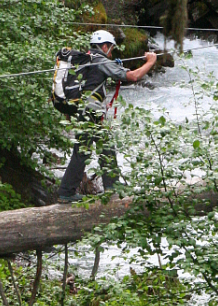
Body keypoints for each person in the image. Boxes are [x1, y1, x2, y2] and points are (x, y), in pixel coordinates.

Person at [57, 29, 158, 203]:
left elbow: (93, 81)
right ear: (104, 46)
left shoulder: (85, 60)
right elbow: (134, 76)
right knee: (83, 152)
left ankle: (112, 187)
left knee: (106, 146)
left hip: (84, 110)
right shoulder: (100, 60)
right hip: (90, 111)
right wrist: (151, 61)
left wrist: (115, 66)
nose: (111, 54)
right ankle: (66, 192)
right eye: (110, 50)